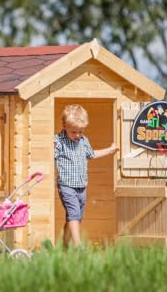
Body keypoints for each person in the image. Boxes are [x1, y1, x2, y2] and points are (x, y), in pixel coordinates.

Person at [54, 104, 118, 247]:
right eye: (73, 132)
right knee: (73, 214)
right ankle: (78, 246)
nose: (77, 135)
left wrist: (110, 150)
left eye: (80, 131)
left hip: (82, 186)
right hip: (66, 185)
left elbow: (91, 154)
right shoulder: (58, 141)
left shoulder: (83, 141)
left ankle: (64, 245)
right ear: (64, 127)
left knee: (76, 217)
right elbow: (48, 155)